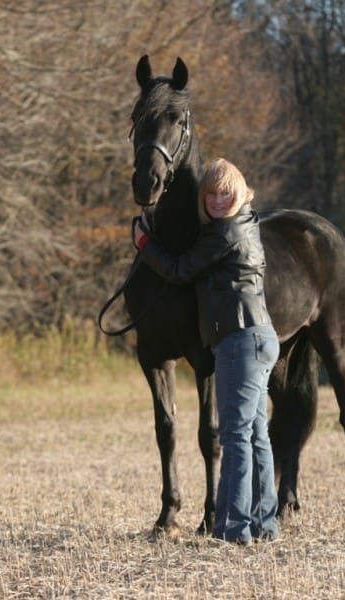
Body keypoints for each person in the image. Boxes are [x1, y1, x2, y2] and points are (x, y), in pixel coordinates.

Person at [133, 158, 279, 545]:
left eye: (224, 193)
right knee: (256, 434)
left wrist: (145, 245)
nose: (216, 200)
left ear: (240, 192)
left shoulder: (226, 233)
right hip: (260, 337)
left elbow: (180, 270)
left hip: (240, 340)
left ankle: (234, 530)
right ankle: (266, 524)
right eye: (210, 193)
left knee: (234, 437)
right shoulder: (247, 223)